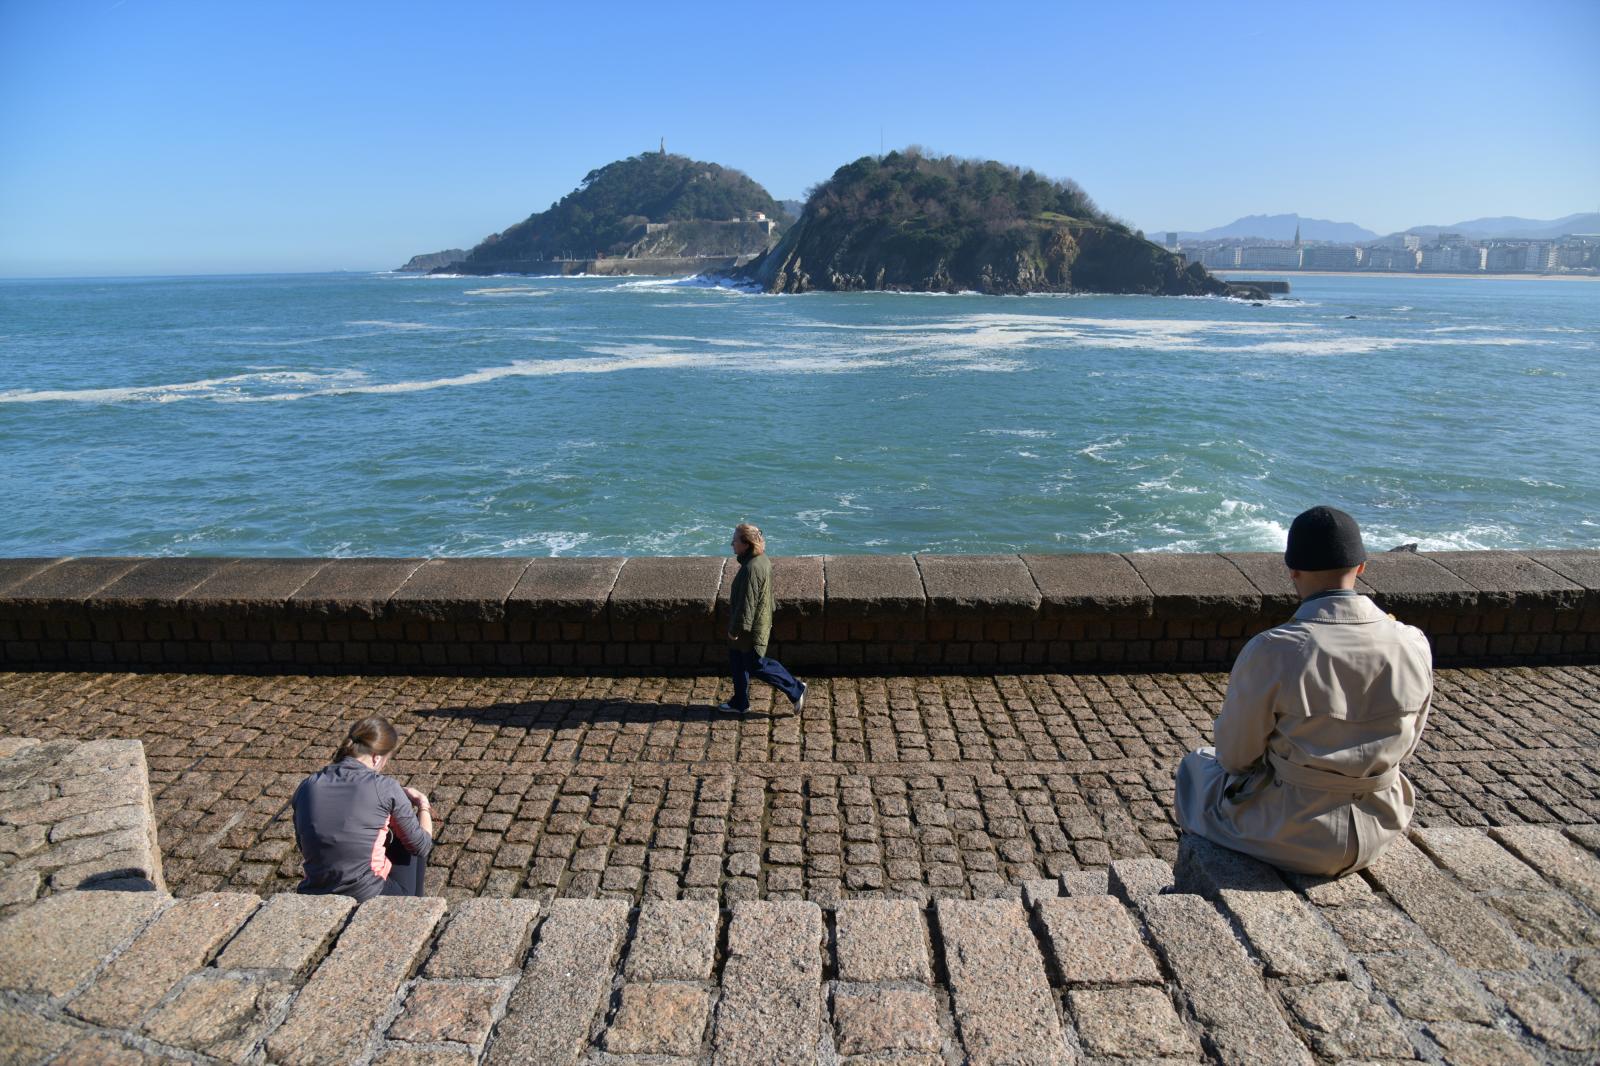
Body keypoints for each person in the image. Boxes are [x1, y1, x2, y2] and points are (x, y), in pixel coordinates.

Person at [1174, 505, 1433, 876]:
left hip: (1295, 831)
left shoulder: (1274, 648)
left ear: (1293, 570)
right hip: (1379, 825)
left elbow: (1235, 757)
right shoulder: (1413, 642)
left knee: (1194, 768)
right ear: (1361, 567)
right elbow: (1408, 744)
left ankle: (1198, 874)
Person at [292, 715, 434, 899]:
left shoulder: (307, 785)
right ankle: (412, 908)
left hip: (315, 889)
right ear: (376, 758)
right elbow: (421, 846)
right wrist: (423, 804)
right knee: (411, 834)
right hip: (366, 893)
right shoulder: (385, 787)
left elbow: (303, 843)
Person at [720, 522, 807, 715]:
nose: (731, 544)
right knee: (737, 662)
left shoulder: (751, 569)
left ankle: (796, 688)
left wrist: (734, 630)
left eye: (734, 540)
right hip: (754, 622)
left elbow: (747, 605)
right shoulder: (760, 560)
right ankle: (740, 702)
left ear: (746, 543)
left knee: (755, 664)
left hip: (750, 628)